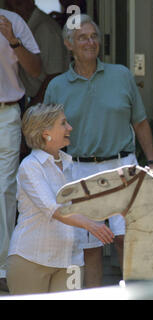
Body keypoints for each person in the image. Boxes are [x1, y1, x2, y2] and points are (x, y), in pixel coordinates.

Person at [44, 14, 153, 288]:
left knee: (126, 240)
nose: (90, 42)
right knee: (90, 248)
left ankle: (135, 294)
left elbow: (140, 122)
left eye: (94, 36)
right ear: (68, 44)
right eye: (82, 37)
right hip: (78, 170)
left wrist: (152, 161)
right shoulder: (56, 87)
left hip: (122, 167)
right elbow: (47, 137)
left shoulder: (121, 75)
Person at [6, 103, 115, 295]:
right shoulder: (30, 166)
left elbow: (85, 205)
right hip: (31, 258)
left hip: (70, 261)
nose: (70, 128)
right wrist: (92, 225)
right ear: (45, 132)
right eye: (63, 123)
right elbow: (53, 209)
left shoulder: (70, 164)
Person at [0, 8, 41, 293]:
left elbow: (38, 69)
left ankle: (3, 268)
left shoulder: (12, 20)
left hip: (6, 114)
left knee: (4, 190)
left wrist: (12, 39)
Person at [6, 0, 69, 107]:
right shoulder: (19, 26)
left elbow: (54, 76)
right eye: (9, 7)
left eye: (18, 4)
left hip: (44, 104)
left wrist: (32, 108)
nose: (14, 11)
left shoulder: (46, 29)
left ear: (31, 1)